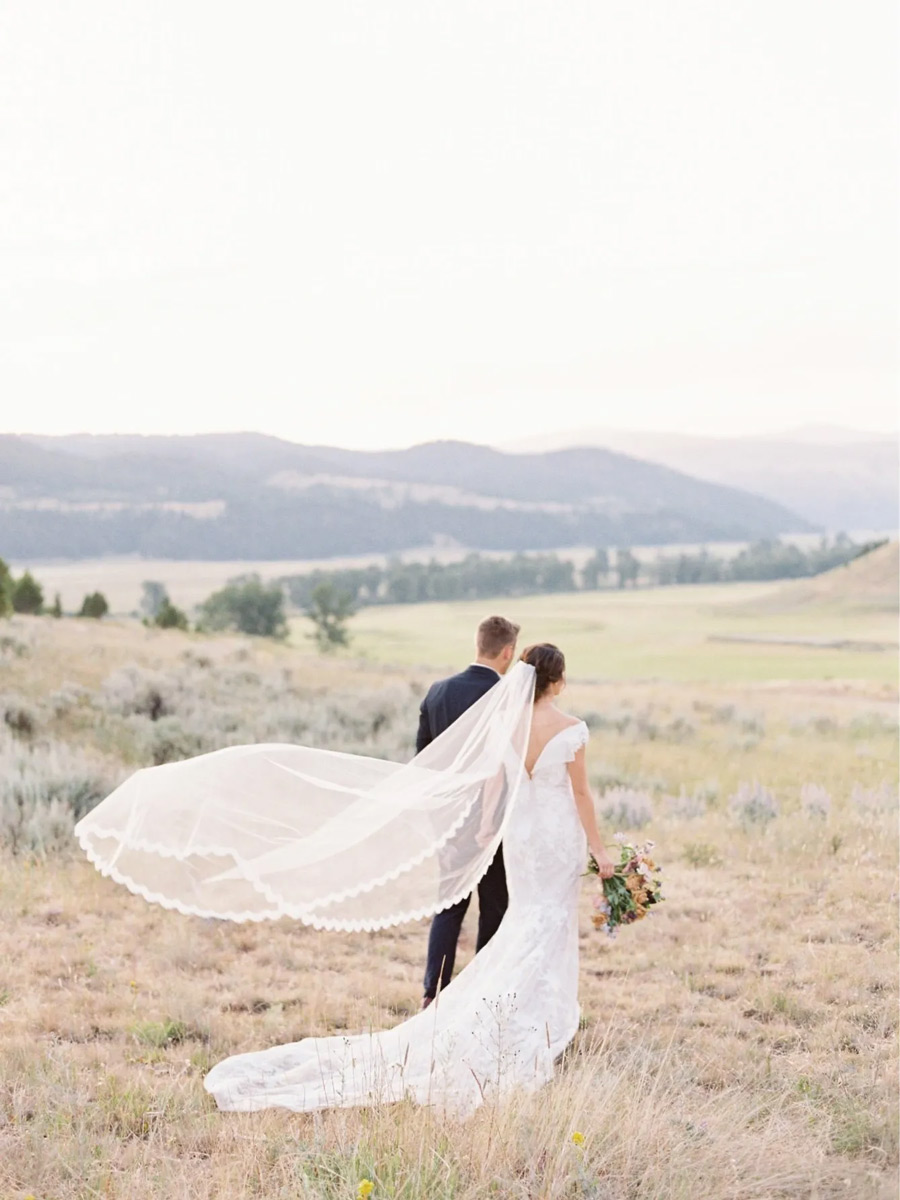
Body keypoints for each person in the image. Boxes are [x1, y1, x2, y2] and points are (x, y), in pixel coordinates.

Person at [75, 642, 617, 1117]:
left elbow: (497, 785)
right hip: (554, 835)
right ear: (560, 680)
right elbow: (582, 795)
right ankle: (538, 1015)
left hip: (519, 837)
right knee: (546, 919)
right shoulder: (571, 730)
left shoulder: (508, 725)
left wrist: (486, 832)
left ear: (524, 674)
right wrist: (601, 851)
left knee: (528, 918)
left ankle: (505, 1006)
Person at [417, 614, 520, 1008]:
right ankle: (480, 993)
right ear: (507, 651)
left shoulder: (438, 692)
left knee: (449, 906)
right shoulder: (506, 697)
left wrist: (438, 818)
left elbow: (423, 762)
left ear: (478, 644)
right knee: (493, 906)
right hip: (491, 823)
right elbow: (505, 767)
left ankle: (432, 992)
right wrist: (494, 820)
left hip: (449, 820)